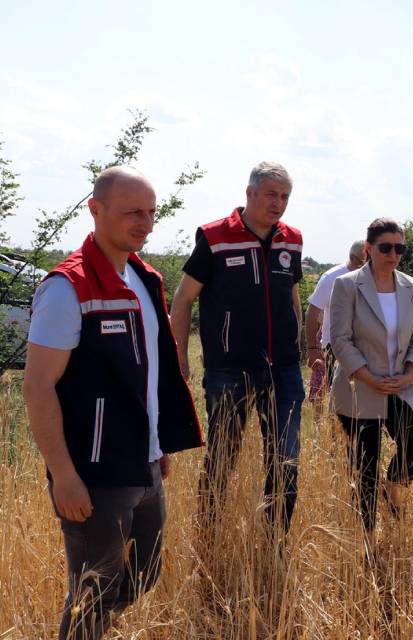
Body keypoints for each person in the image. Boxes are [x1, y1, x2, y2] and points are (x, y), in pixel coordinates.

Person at [23, 167, 203, 639]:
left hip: (142, 464)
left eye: (150, 212)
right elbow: (37, 387)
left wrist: (158, 442)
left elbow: (145, 377)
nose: (144, 223)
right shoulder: (67, 288)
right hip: (93, 472)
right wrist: (64, 476)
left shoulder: (144, 279)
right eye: (131, 213)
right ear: (96, 210)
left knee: (143, 574)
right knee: (91, 593)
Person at [169, 161, 305, 534]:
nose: (278, 203)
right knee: (222, 457)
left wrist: (300, 343)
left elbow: (292, 294)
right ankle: (208, 532)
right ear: (249, 193)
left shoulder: (291, 238)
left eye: (285, 196)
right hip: (229, 370)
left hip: (285, 370)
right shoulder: (215, 237)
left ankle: (275, 540)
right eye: (271, 194)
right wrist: (179, 357)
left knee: (286, 458)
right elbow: (182, 302)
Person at [329, 218, 413, 538]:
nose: (393, 254)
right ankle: (366, 536)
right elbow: (340, 339)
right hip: (360, 387)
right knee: (366, 466)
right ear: (368, 249)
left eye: (399, 248)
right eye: (385, 247)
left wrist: (409, 373)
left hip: (403, 386)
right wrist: (366, 376)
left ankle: (393, 488)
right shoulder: (347, 285)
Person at [305, 239, 367, 404]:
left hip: (360, 344)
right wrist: (312, 347)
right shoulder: (331, 278)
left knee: (351, 395)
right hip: (332, 344)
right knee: (321, 391)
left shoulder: (370, 277)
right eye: (363, 263)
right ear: (352, 258)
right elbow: (312, 312)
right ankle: (320, 428)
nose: (366, 267)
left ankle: (342, 427)